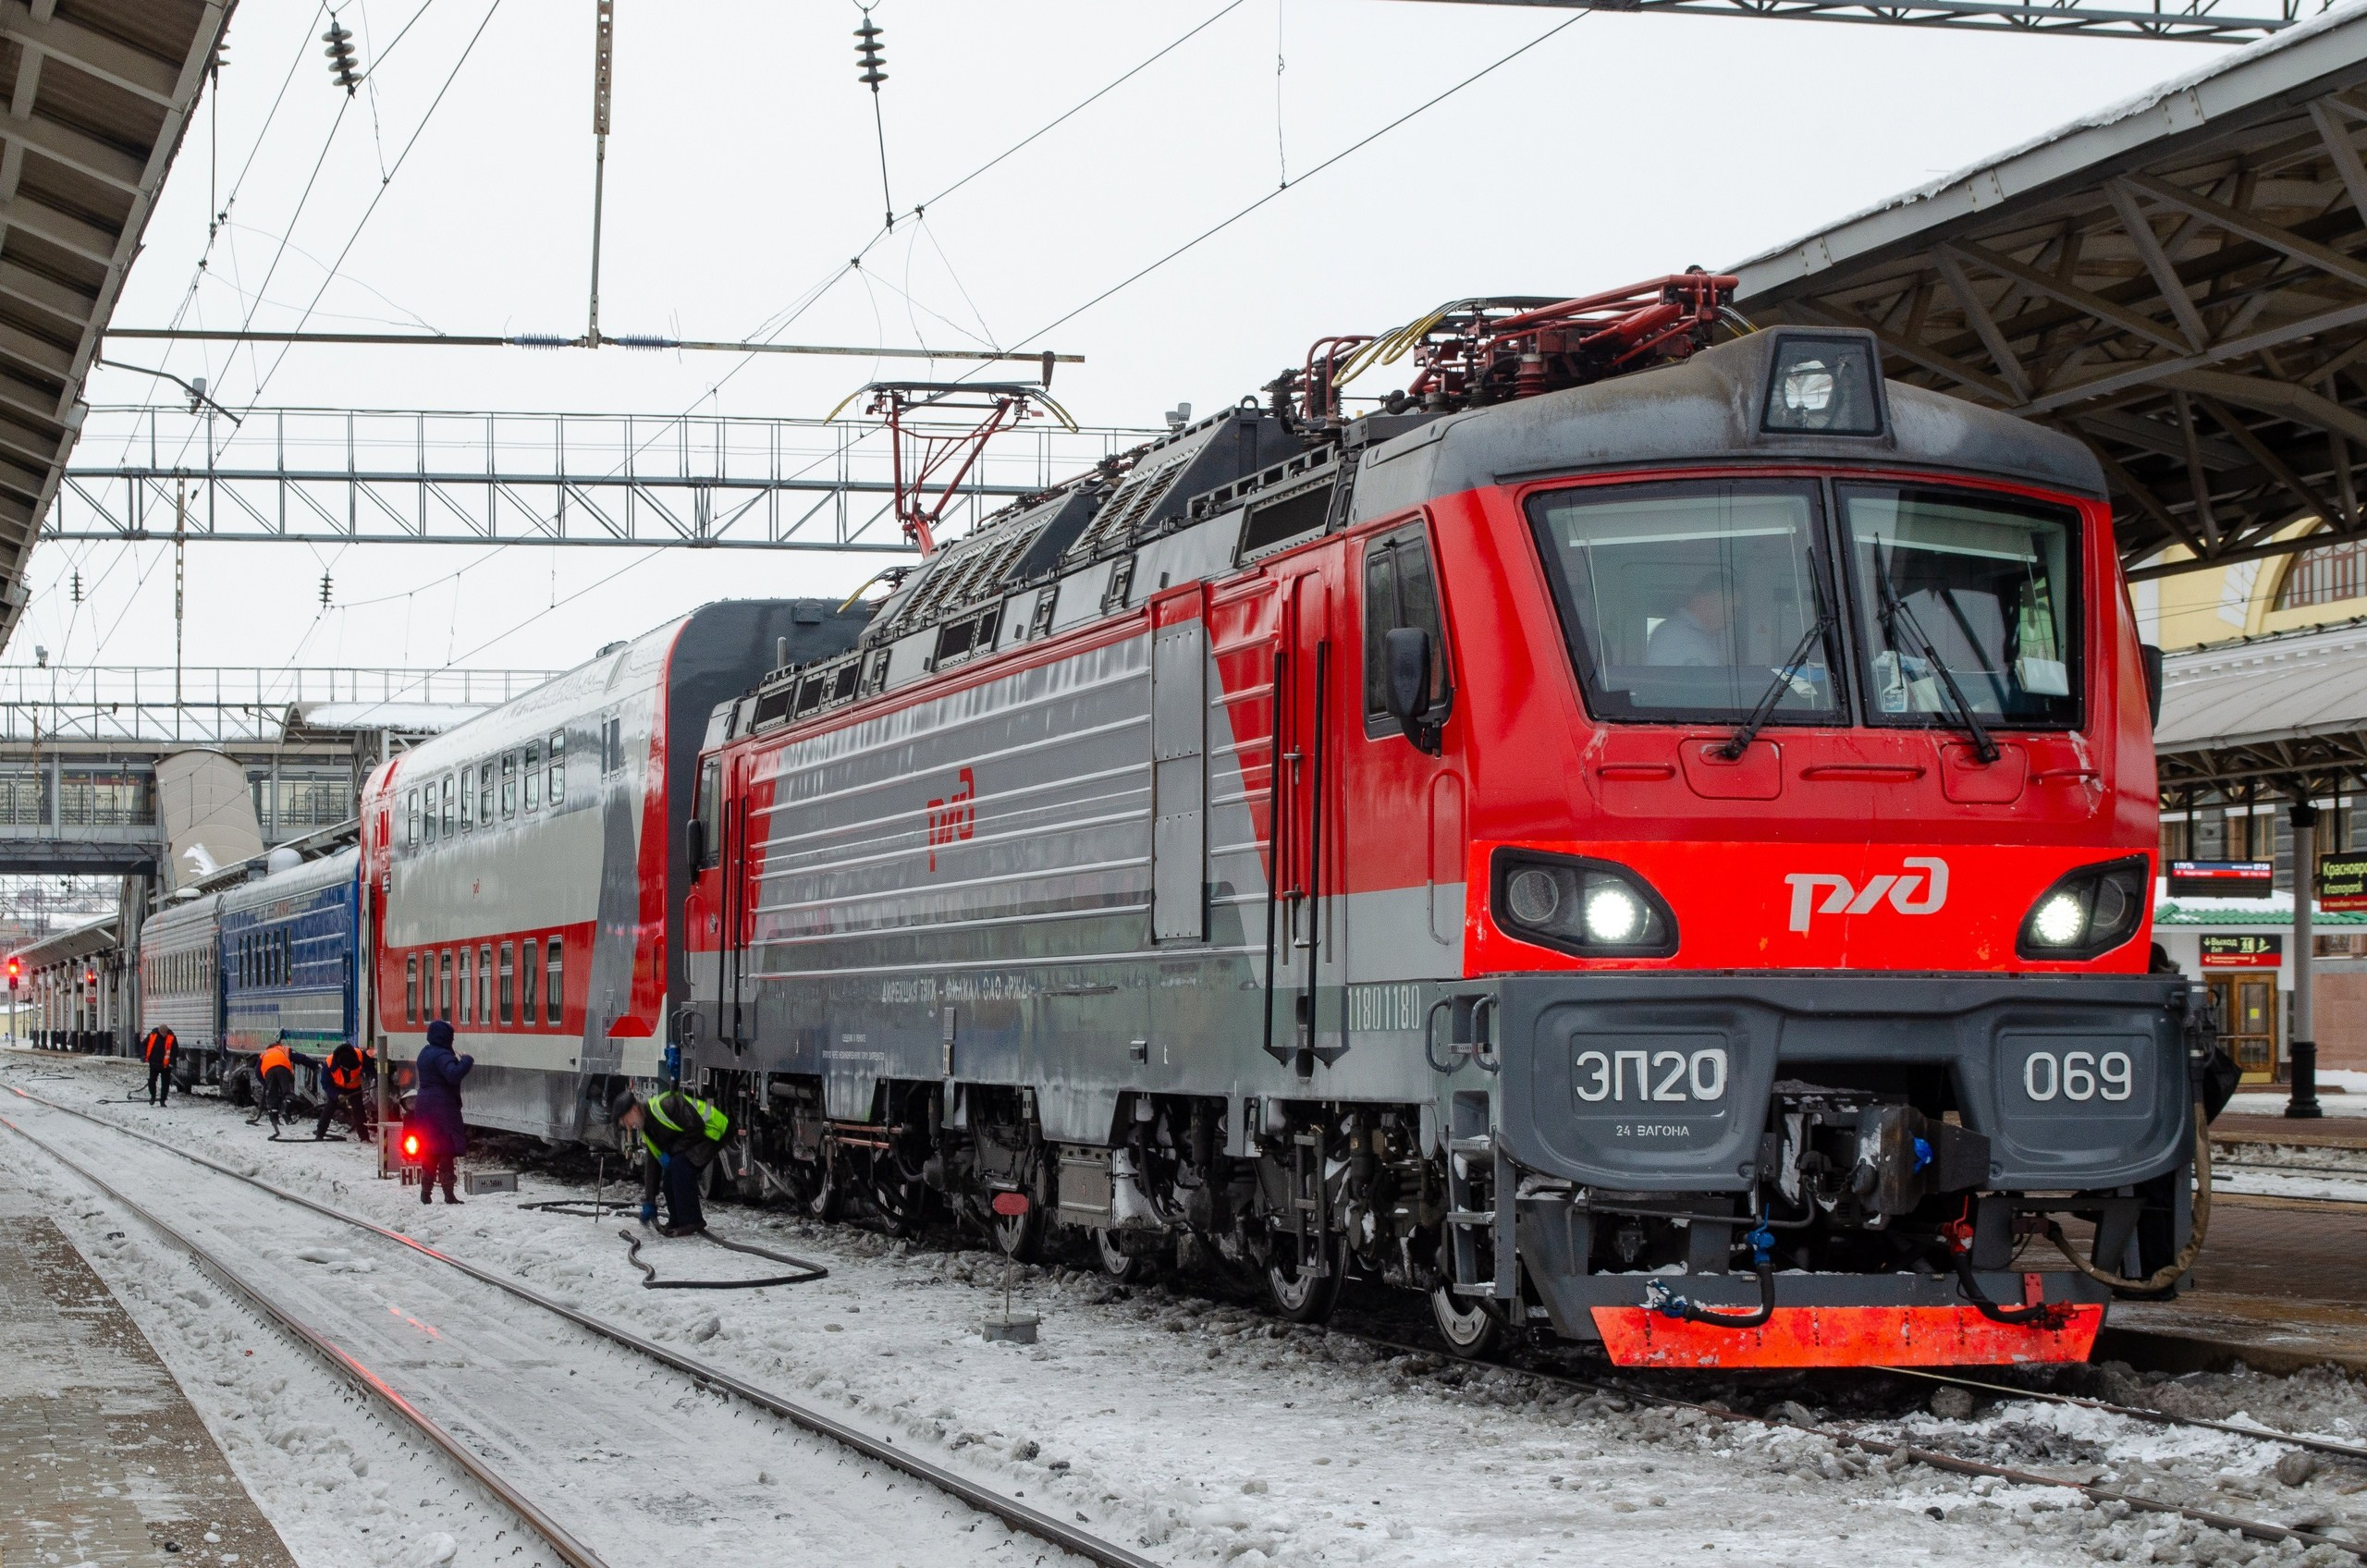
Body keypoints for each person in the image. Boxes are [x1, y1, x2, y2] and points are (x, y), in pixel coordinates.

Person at [610, 1085, 730, 1237]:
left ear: (634, 1109)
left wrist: (671, 1151)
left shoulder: (665, 1105)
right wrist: (650, 1201)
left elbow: (696, 1126)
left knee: (680, 1166)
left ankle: (692, 1221)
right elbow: (653, 1166)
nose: (628, 1127)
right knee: (669, 1176)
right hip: (696, 1137)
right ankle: (677, 1221)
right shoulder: (647, 1131)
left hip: (714, 1128)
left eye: (626, 1121)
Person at [410, 1020, 472, 1205]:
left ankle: (425, 1192)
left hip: (424, 1104)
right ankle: (448, 1194)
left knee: (430, 1150)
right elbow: (453, 1075)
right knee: (446, 1150)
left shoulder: (425, 1053)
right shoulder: (442, 1055)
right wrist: (467, 1061)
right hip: (442, 1106)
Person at [1647, 571, 1736, 667]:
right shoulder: (1679, 634)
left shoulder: (1688, 633)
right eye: (1731, 609)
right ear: (1709, 601)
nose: (1732, 618)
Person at [313, 1040, 371, 1143]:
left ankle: (364, 1138)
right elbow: (325, 1083)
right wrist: (337, 1095)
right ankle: (320, 1134)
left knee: (359, 1110)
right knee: (329, 1108)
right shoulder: (329, 1064)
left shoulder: (360, 1055)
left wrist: (379, 1080)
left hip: (354, 1087)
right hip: (337, 1088)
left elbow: (372, 1069)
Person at [140, 1023, 178, 1106]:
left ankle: (162, 1100)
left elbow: (175, 1050)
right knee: (152, 1081)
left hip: (166, 1065)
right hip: (154, 1063)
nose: (164, 1034)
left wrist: (172, 1062)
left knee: (165, 1084)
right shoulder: (152, 1035)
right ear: (159, 1031)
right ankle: (153, 1096)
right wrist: (143, 1055)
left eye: (165, 1033)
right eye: (162, 1033)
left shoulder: (172, 1037)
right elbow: (143, 1045)